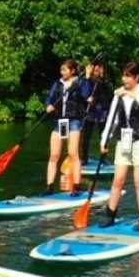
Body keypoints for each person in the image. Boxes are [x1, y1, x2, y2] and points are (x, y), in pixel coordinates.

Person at [100, 60, 139, 230]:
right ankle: (110, 214)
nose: (124, 80)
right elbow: (112, 119)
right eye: (123, 76)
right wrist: (105, 140)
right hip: (124, 140)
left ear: (137, 77)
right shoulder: (118, 95)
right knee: (118, 179)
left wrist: (130, 94)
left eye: (128, 76)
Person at [43, 60, 90, 194]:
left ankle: (76, 185)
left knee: (73, 153)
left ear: (72, 71)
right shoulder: (58, 84)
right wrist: (48, 105)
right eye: (61, 69)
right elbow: (50, 99)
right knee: (54, 155)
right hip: (60, 122)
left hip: (74, 121)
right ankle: (49, 186)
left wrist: (87, 77)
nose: (62, 72)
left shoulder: (80, 83)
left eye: (65, 70)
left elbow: (86, 95)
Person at [80, 59, 112, 172]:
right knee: (86, 136)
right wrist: (88, 78)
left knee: (104, 136)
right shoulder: (86, 80)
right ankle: (84, 158)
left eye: (100, 67)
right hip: (90, 111)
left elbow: (110, 94)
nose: (98, 69)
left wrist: (102, 79)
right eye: (96, 67)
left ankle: (103, 158)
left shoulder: (104, 82)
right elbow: (84, 94)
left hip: (102, 110)